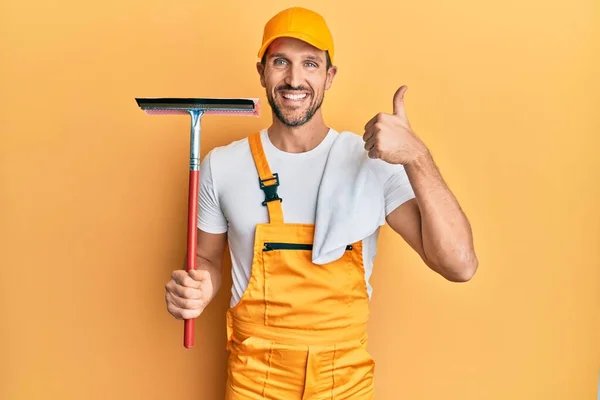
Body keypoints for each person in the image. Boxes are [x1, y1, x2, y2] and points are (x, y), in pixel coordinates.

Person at [164, 6, 478, 399]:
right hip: (253, 381)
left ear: (329, 76)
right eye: (281, 62)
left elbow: (459, 265)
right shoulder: (223, 166)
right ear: (262, 70)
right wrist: (196, 290)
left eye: (310, 64)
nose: (295, 79)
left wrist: (417, 156)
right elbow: (208, 259)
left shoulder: (373, 161)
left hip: (344, 382)